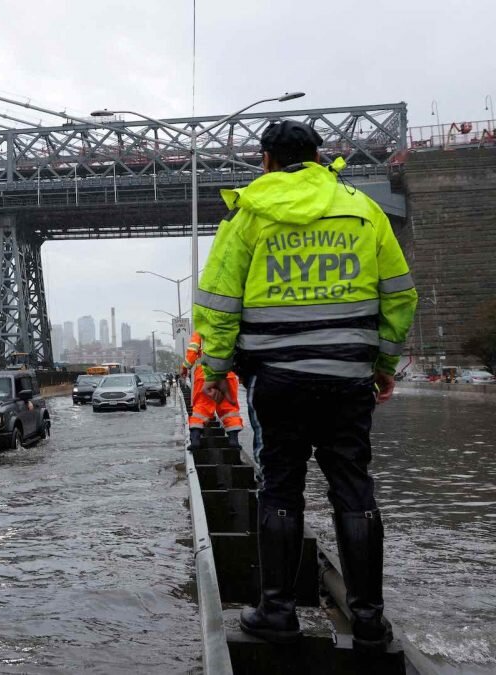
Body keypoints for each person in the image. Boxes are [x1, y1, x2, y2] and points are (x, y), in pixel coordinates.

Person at [194, 120, 418, 650]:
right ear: (320, 158)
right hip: (347, 379)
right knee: (353, 488)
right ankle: (368, 621)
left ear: (265, 160)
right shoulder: (363, 211)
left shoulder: (249, 214)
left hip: (277, 381)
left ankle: (277, 612)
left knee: (280, 486)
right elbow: (400, 296)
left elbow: (218, 304)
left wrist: (217, 374)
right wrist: (384, 363)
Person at [182, 331, 243, 451]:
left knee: (201, 407)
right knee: (229, 408)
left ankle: (195, 440)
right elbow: (242, 350)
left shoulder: (201, 330)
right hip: (227, 372)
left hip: (205, 374)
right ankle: (233, 440)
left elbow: (192, 352)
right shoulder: (231, 327)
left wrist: (185, 367)